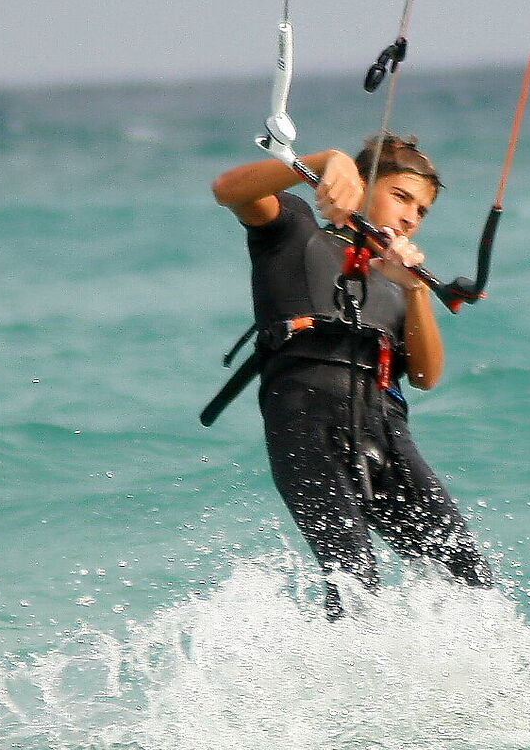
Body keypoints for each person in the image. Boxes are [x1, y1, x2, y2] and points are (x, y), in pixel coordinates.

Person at [209, 132, 494, 617]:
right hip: (306, 424)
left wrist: (416, 292)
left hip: (386, 430)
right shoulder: (295, 229)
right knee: (355, 580)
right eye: (401, 197)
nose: (409, 216)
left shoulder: (401, 278)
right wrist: (319, 163)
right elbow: (228, 189)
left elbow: (425, 376)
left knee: (467, 574)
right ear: (361, 185)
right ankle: (337, 685)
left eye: (421, 211)